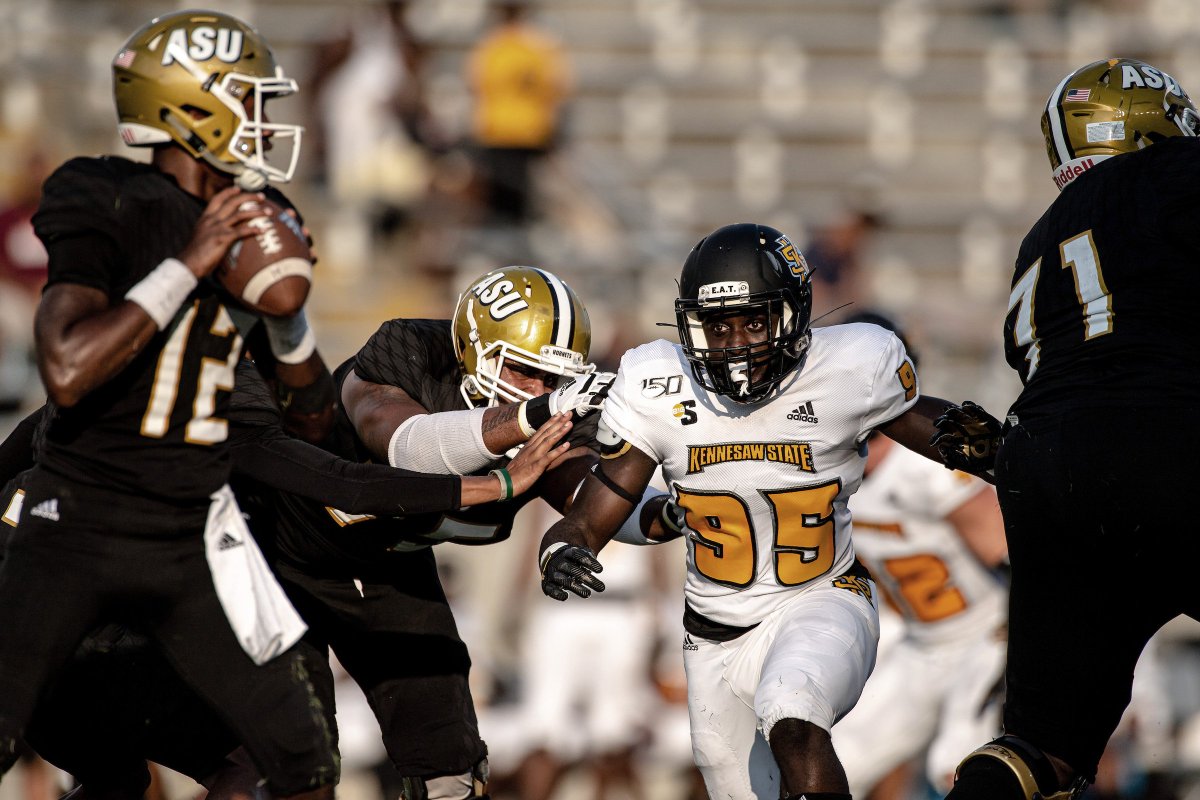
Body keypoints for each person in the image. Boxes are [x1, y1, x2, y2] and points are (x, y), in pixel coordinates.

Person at [0, 10, 341, 798]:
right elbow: (68, 366)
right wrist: (192, 262)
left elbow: (312, 421)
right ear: (194, 108)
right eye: (249, 99)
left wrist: (288, 320)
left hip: (187, 533)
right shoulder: (104, 193)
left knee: (302, 762)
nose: (263, 119)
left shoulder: (258, 217)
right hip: (77, 521)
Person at [0, 353, 573, 800]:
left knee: (116, 783)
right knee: (263, 761)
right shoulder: (216, 403)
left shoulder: (73, 401)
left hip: (30, 609)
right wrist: (495, 484)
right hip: (88, 625)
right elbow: (345, 485)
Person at [535, 222, 976, 800]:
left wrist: (998, 450)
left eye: (754, 321)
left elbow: (936, 427)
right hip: (713, 637)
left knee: (792, 716)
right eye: (719, 327)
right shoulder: (657, 384)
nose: (737, 343)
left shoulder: (848, 367)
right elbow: (596, 511)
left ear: (791, 316)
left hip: (823, 597)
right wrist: (562, 547)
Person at [932, 57, 1200, 800]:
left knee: (1041, 748)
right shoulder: (1175, 173)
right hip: (1167, 435)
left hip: (1041, 463)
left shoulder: (1037, 242)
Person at [829, 311, 1008, 799]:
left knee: (959, 765)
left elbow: (1010, 553)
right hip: (920, 643)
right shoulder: (830, 465)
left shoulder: (923, 466)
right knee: (831, 761)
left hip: (984, 636)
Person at [466, 1, 572, 224]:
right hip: (505, 134)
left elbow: (557, 87)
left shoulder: (530, 47)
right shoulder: (499, 47)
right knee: (505, 206)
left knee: (518, 206)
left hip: (524, 135)